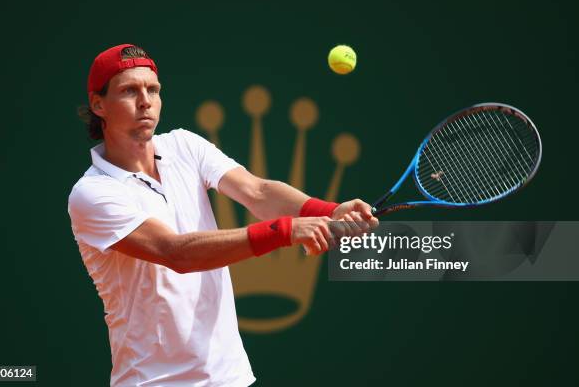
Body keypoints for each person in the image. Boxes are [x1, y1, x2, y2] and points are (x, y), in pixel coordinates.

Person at [68, 43, 378, 387]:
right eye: (129, 91)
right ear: (98, 104)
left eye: (153, 89)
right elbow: (175, 252)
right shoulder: (93, 194)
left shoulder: (184, 145)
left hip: (230, 377)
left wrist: (330, 211)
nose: (146, 101)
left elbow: (257, 191)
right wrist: (285, 231)